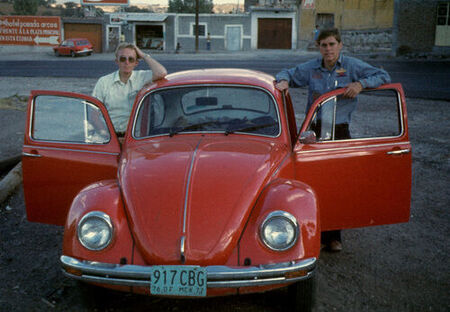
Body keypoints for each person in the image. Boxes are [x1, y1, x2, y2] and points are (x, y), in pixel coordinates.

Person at [275, 28, 391, 252]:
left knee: (338, 184)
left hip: (340, 132)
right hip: (315, 131)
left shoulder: (352, 66)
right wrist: (284, 81)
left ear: (340, 45)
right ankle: (311, 234)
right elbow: (286, 73)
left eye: (331, 44)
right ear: (319, 47)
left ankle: (334, 237)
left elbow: (383, 76)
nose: (328, 49)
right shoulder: (312, 68)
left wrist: (360, 84)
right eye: (323, 45)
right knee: (312, 182)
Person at [92, 42, 167, 135]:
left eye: (131, 59)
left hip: (134, 137)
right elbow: (94, 114)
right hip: (109, 137)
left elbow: (161, 72)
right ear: (117, 61)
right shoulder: (103, 82)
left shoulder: (142, 77)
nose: (126, 62)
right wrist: (105, 134)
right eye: (123, 59)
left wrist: (143, 55)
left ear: (136, 63)